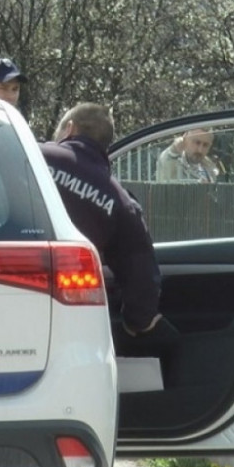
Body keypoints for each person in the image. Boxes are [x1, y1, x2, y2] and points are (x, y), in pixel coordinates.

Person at [40, 103, 172, 337]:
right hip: (69, 308)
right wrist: (138, 321)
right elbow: (141, 274)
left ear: (69, 128)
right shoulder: (121, 201)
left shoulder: (33, 156)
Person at [155, 128, 221, 183]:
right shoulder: (173, 160)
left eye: (205, 145)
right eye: (197, 143)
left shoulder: (209, 167)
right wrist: (174, 150)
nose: (200, 150)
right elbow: (166, 163)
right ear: (185, 139)